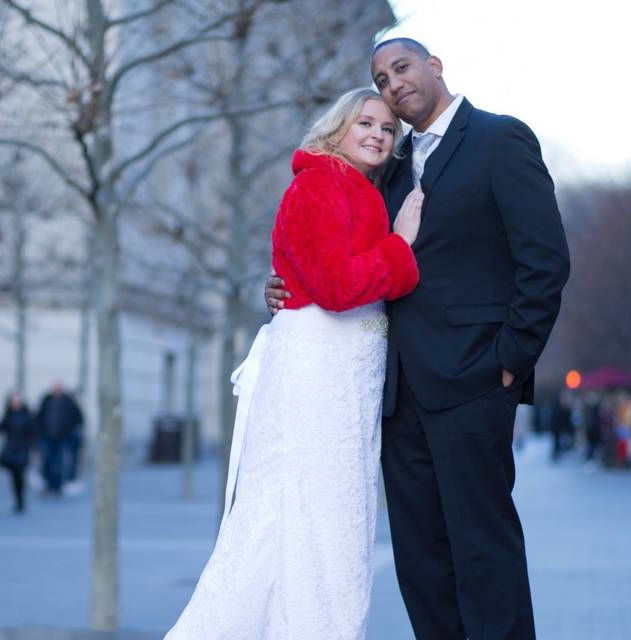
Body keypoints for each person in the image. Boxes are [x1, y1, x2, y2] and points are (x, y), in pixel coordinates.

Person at [267, 37, 569, 639]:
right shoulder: (391, 165)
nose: (392, 84)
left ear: (434, 66)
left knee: (483, 551)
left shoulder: (499, 139)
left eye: (401, 68)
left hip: (474, 382)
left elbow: (545, 261)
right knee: (420, 562)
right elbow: (347, 255)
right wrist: (282, 285)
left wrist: (509, 362)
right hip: (396, 393)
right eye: (380, 79)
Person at [166, 88, 423, 638]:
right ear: (337, 129)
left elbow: (318, 272)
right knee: (312, 518)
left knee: (321, 519)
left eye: (387, 128)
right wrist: (401, 246)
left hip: (340, 373)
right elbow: (335, 286)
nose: (379, 134)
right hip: (319, 372)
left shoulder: (350, 187)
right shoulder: (321, 183)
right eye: (366, 123)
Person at [36, 382, 83, 495]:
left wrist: (70, 432)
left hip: (62, 437)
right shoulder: (47, 401)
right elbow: (39, 418)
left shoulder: (69, 402)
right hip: (47, 437)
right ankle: (48, 484)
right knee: (47, 461)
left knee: (58, 462)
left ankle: (57, 486)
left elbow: (78, 418)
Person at [0, 390, 36, 513]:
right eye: (14, 401)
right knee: (14, 476)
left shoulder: (27, 415)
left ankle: (20, 501)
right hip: (11, 449)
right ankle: (18, 500)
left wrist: (33, 446)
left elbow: (33, 432)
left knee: (19, 475)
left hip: (23, 449)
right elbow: (0, 427)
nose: (16, 403)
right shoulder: (8, 415)